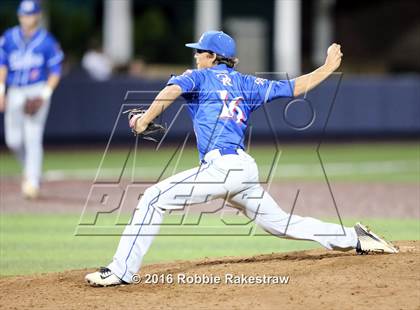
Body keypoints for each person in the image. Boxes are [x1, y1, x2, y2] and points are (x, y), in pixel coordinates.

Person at [85, 31, 398, 287]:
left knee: (153, 198)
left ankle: (121, 270)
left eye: (199, 52)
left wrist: (142, 121)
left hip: (222, 167)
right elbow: (296, 87)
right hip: (242, 169)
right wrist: (328, 67)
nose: (195, 56)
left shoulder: (199, 76)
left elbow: (170, 90)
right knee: (280, 224)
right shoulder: (248, 83)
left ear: (212, 57)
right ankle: (354, 237)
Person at [0, 0, 64, 199]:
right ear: (19, 16)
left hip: (37, 89)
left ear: (37, 16)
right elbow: (2, 65)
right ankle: (29, 170)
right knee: (13, 140)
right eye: (23, 14)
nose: (26, 18)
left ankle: (33, 182)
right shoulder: (9, 38)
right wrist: (1, 91)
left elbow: (55, 71)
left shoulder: (47, 41)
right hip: (15, 90)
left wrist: (44, 95)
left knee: (33, 137)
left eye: (30, 14)